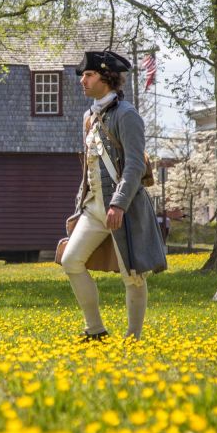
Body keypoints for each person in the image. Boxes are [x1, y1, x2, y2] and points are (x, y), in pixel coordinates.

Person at [60, 50, 168, 340]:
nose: (83, 80)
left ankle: (133, 336)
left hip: (125, 207)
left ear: (106, 77)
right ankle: (95, 329)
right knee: (71, 261)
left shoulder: (127, 115)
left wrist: (118, 204)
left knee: (132, 275)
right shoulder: (89, 117)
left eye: (89, 74)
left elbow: (134, 164)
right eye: (83, 75)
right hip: (93, 207)